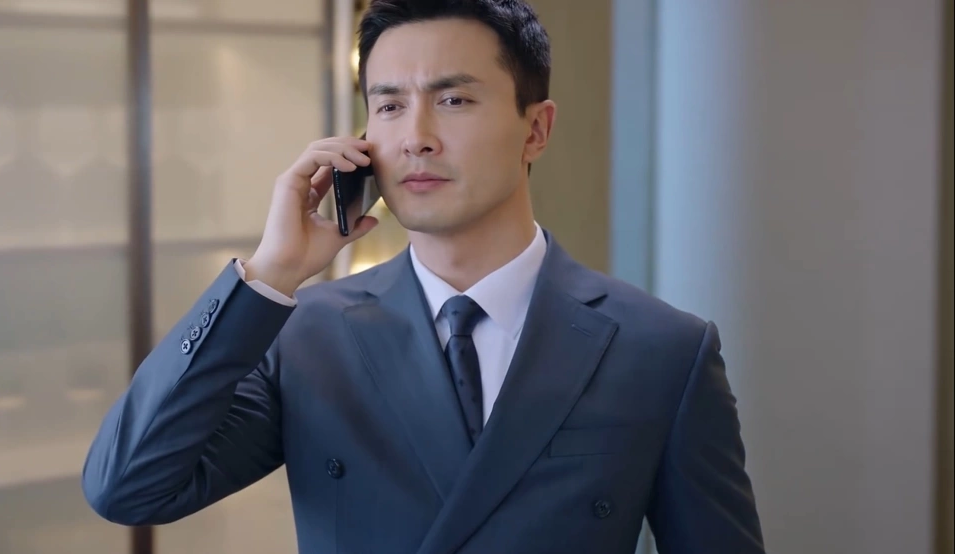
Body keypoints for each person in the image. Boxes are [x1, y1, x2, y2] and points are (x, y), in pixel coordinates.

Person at [82, 1, 765, 552]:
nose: (416, 136)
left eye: (454, 100)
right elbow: (129, 487)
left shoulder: (662, 349)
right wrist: (270, 272)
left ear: (536, 130)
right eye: (388, 106)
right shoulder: (309, 335)